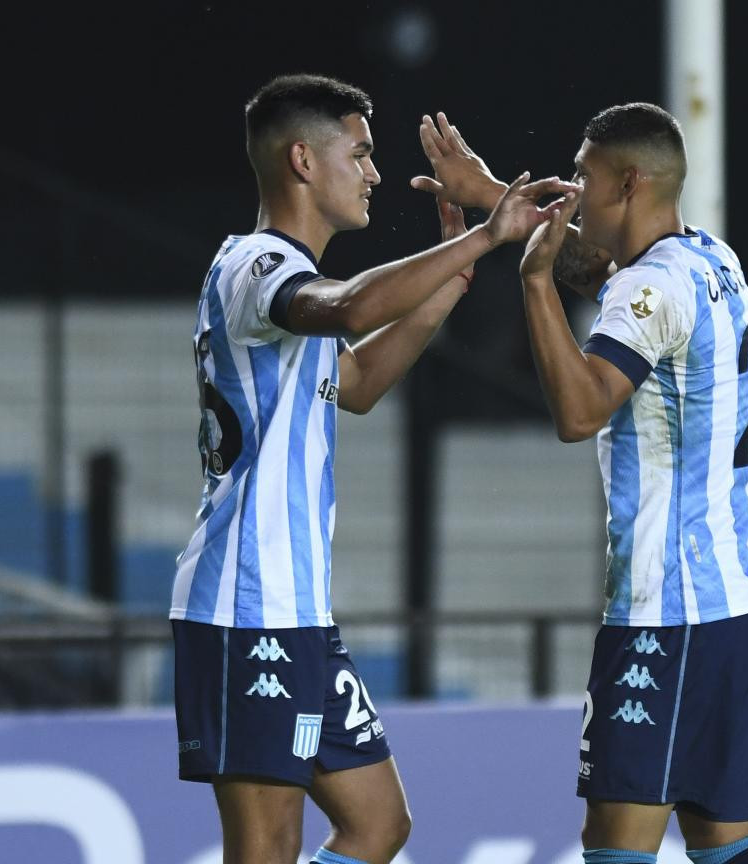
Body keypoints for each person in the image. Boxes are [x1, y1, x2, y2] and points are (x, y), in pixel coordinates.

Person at [168, 74, 575, 864]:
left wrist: (448, 287)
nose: (375, 174)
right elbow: (352, 306)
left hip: (298, 613)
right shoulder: (256, 266)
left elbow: (352, 385)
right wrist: (484, 236)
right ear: (302, 162)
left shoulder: (289, 278)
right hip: (246, 605)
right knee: (266, 849)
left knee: (378, 825)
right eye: (359, 154)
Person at [412, 106, 748, 864]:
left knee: (616, 849)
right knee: (723, 845)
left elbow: (581, 411)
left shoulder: (646, 292)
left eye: (583, 174)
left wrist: (534, 285)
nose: (573, 188)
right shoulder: (711, 258)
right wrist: (493, 197)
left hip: (669, 609)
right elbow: (604, 268)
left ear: (628, 181)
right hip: (744, 597)